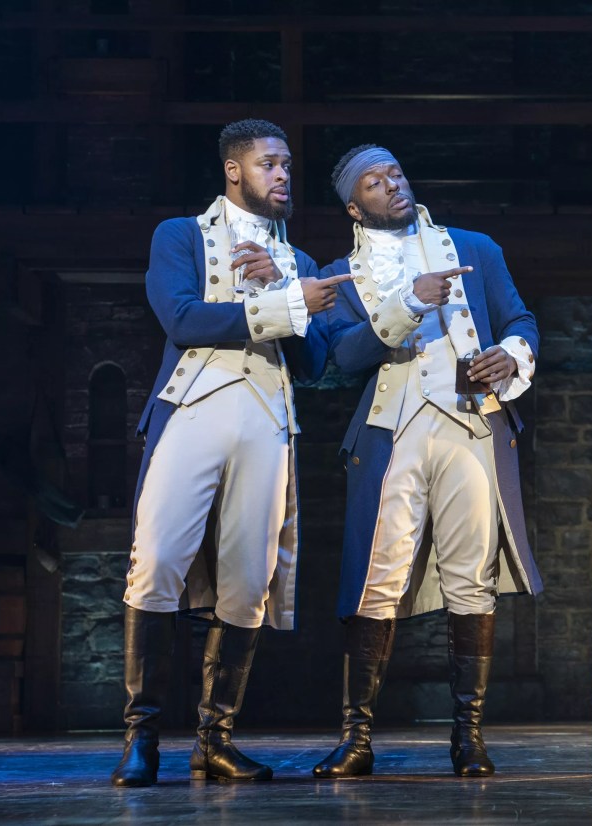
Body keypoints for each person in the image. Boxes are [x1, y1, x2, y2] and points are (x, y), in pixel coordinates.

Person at [111, 119, 347, 787]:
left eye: (289, 167)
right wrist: (278, 305)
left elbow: (313, 364)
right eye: (270, 164)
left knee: (248, 581)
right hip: (194, 408)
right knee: (156, 562)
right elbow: (182, 319)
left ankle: (215, 738)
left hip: (267, 418)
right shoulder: (180, 234)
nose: (282, 176)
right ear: (234, 171)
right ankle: (141, 737)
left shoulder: (296, 262)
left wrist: (284, 291)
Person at [305, 145, 542, 779]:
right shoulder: (341, 276)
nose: (392, 185)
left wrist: (511, 355)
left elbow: (520, 318)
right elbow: (344, 358)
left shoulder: (475, 247)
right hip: (392, 433)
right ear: (356, 206)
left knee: (472, 575)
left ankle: (468, 736)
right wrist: (407, 304)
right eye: (374, 182)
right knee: (377, 579)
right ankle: (356, 738)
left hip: (469, 424)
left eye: (396, 173)